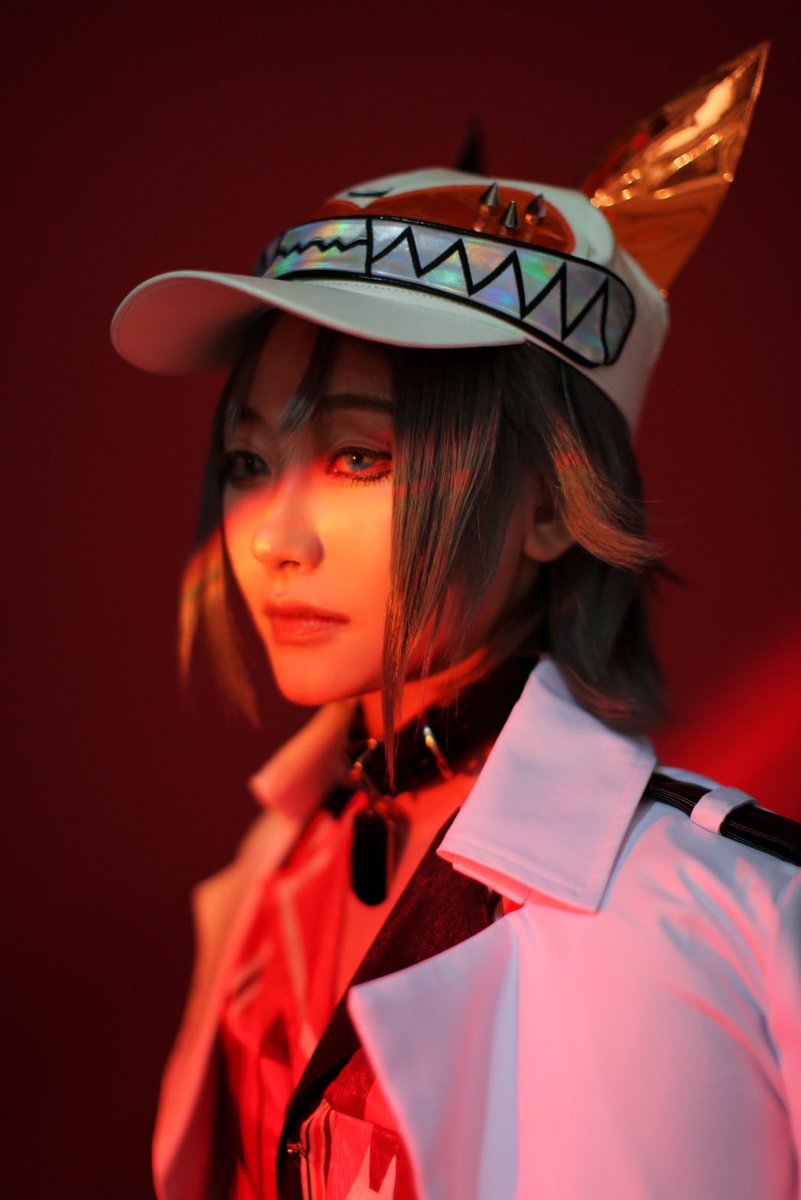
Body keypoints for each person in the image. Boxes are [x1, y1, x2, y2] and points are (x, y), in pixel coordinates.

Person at [111, 45, 800, 1200]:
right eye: (247, 461)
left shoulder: (714, 915)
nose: (274, 537)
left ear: (551, 503)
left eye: (358, 456)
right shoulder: (274, 872)